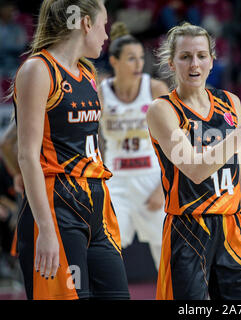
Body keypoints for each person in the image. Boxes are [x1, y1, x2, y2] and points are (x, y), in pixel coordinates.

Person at [147, 22, 241, 300]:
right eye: (185, 56)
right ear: (171, 63)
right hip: (188, 228)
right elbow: (195, 170)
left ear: (212, 61)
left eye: (201, 55)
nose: (194, 63)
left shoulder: (230, 102)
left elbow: (240, 173)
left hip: (234, 226)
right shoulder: (162, 109)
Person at [11, 0, 129, 299]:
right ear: (86, 24)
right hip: (58, 207)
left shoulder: (88, 73)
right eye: (103, 26)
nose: (106, 35)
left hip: (96, 205)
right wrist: (46, 230)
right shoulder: (38, 69)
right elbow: (26, 154)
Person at [98, 21, 169, 270]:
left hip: (152, 179)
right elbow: (91, 139)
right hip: (115, 180)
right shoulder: (100, 91)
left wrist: (163, 187)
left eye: (141, 58)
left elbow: (178, 143)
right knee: (106, 248)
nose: (139, 64)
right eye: (131, 59)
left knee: (167, 254)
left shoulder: (155, 88)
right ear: (114, 61)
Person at [0, 1, 27, 79]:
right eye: (8, 9)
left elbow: (21, 46)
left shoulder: (18, 28)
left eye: (12, 10)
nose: (12, 13)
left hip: (14, 66)